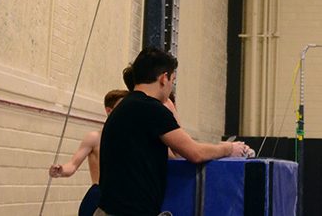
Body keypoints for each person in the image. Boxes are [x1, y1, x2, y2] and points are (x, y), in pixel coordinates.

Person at [97, 47, 250, 216]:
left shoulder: (124, 107)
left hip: (108, 208)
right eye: (173, 80)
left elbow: (164, 155)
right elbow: (194, 152)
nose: (171, 87)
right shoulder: (152, 109)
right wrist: (228, 148)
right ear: (164, 78)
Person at [48, 89, 128, 216]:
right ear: (109, 111)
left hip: (123, 197)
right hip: (99, 195)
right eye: (123, 107)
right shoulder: (95, 137)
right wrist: (61, 170)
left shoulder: (132, 140)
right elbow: (73, 165)